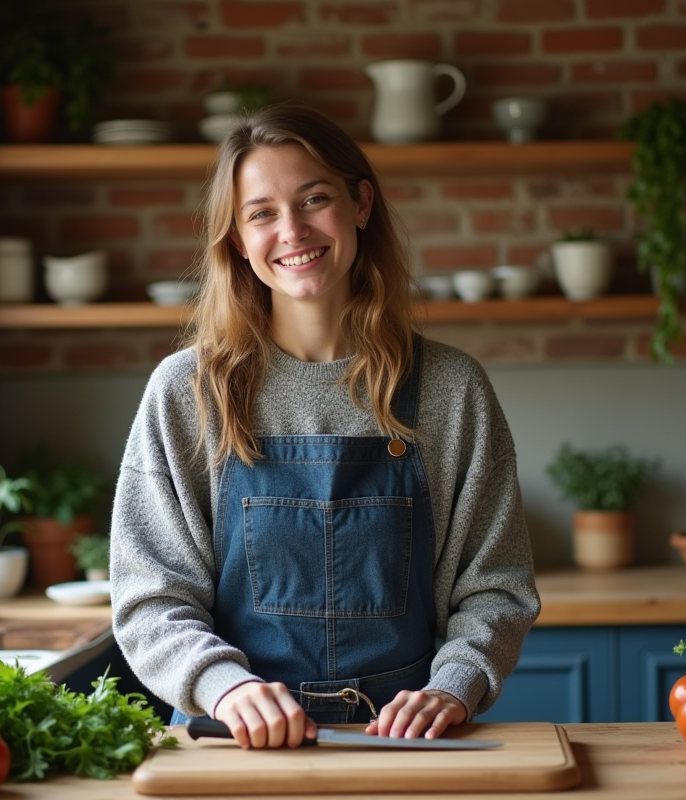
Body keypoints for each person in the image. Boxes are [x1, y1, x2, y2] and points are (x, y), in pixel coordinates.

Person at [110, 102, 539, 750]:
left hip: (405, 748)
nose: (292, 230)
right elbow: (149, 599)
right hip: (232, 751)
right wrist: (225, 686)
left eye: (314, 200)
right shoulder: (187, 392)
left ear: (361, 203)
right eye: (261, 213)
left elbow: (496, 588)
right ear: (237, 240)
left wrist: (455, 684)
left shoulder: (453, 390)